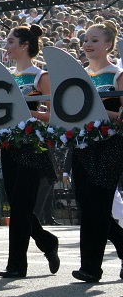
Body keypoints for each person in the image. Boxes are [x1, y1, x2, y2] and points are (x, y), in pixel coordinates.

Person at [0, 25, 60, 278]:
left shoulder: (40, 77)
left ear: (25, 45)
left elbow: (57, 113)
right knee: (17, 204)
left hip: (32, 147)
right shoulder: (5, 77)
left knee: (21, 206)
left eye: (11, 41)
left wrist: (29, 113)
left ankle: (17, 265)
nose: (6, 46)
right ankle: (47, 242)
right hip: (9, 146)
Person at [71, 20, 123, 282]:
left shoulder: (117, 75)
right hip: (82, 146)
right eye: (85, 40)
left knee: (98, 205)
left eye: (94, 40)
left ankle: (90, 268)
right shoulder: (78, 76)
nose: (87, 45)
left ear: (108, 44)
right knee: (87, 205)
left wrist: (99, 113)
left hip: (110, 146)